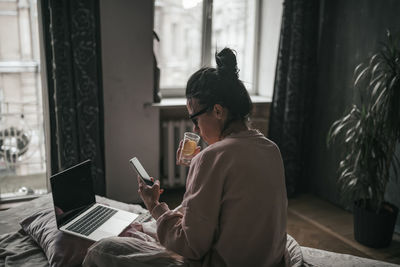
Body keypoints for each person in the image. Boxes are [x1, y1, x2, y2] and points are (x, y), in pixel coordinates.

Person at [137, 48, 289, 267]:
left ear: (218, 111)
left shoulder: (212, 158)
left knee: (104, 250)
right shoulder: (271, 148)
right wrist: (199, 167)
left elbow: (191, 245)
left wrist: (154, 205)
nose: (195, 129)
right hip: (271, 260)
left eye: (195, 119)